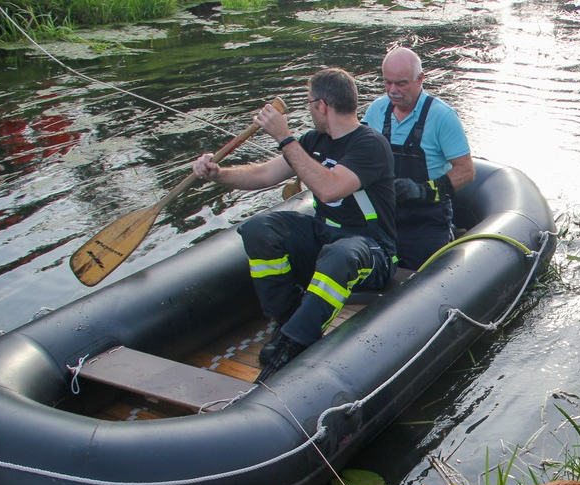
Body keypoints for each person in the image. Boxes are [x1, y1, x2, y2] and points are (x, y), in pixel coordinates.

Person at [192, 68, 397, 382]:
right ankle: (286, 316)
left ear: (322, 106)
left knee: (340, 255)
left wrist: (283, 137)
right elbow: (263, 174)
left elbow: (330, 188)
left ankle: (295, 342)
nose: (308, 109)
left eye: (309, 102)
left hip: (371, 248)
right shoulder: (313, 140)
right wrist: (218, 174)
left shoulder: (370, 144)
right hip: (325, 235)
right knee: (259, 229)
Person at [362, 46, 475, 271]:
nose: (392, 90)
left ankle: (450, 232)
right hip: (385, 214)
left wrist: (422, 190)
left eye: (401, 83)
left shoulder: (442, 116)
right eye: (387, 83)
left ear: (420, 79)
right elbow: (359, 155)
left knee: (425, 272)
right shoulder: (376, 110)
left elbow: (466, 171)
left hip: (426, 217)